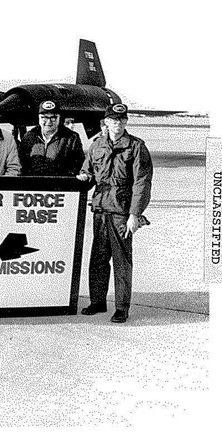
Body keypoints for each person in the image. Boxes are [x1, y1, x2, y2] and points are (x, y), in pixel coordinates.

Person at [77, 103, 153, 324]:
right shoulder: (96, 146)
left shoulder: (136, 147)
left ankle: (121, 308)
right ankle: (97, 301)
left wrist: (135, 215)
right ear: (106, 122)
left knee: (122, 261)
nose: (117, 123)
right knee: (98, 258)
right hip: (100, 209)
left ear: (126, 122)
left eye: (121, 120)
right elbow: (88, 170)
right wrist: (83, 176)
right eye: (113, 120)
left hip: (121, 211)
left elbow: (142, 183)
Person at [19, 100, 84, 176]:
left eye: (53, 118)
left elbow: (78, 165)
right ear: (39, 118)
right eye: (44, 118)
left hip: (60, 185)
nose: (49, 122)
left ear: (59, 118)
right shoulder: (29, 137)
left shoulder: (71, 138)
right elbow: (21, 164)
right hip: (33, 185)